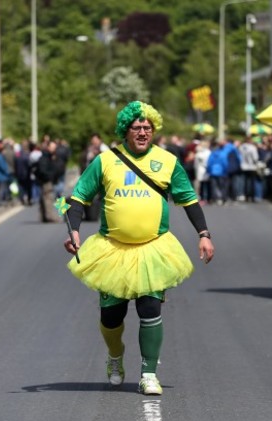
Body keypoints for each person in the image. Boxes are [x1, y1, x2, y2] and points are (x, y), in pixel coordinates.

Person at [62, 101, 215, 396]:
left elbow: (189, 200)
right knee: (112, 317)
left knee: (150, 309)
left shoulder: (168, 161)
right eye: (137, 128)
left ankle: (148, 373)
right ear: (125, 131)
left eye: (148, 127)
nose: (143, 132)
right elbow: (79, 198)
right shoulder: (105, 161)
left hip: (153, 247)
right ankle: (115, 356)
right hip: (112, 250)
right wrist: (75, 232)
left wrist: (204, 234)